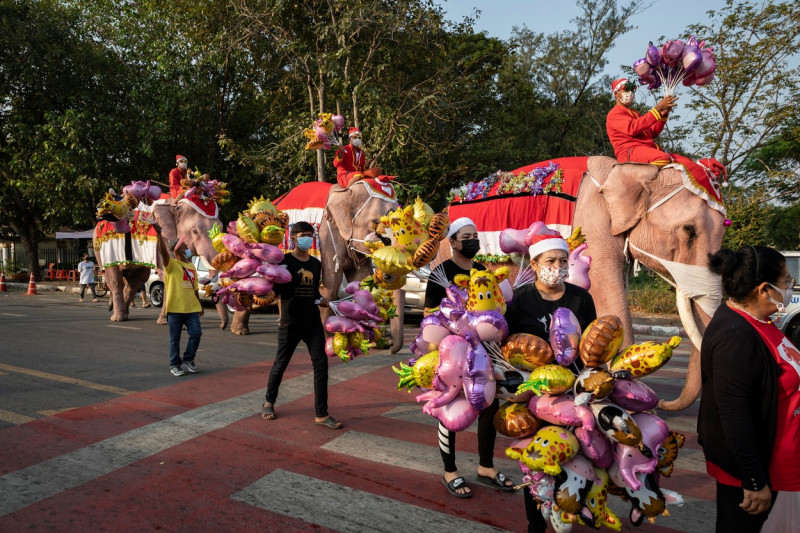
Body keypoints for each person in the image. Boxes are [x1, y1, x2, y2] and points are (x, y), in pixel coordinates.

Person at [699, 245, 800, 532]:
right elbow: (734, 414)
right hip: (754, 470)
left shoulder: (760, 320)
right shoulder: (735, 336)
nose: (790, 286)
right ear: (764, 290)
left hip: (778, 459)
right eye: (786, 281)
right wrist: (754, 481)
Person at [504, 229, 597, 533]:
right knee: (537, 461)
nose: (557, 266)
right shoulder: (519, 300)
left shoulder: (581, 298)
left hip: (573, 393)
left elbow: (592, 345)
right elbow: (507, 349)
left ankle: (567, 511)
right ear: (534, 265)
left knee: (572, 458)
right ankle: (535, 524)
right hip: (535, 395)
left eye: (562, 259)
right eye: (550, 260)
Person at [422, 217, 515, 498]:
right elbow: (429, 316)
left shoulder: (480, 270)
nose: (473, 240)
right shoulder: (441, 272)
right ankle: (450, 470)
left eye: (475, 235)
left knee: (489, 407)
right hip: (451, 353)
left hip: (482, 352)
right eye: (466, 236)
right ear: (452, 242)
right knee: (449, 410)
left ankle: (486, 466)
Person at [261, 221, 342, 429]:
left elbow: (315, 292)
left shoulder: (315, 264)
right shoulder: (284, 261)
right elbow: (276, 291)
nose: (307, 239)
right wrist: (265, 296)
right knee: (281, 363)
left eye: (310, 235)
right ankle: (269, 402)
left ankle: (322, 414)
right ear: (294, 237)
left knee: (321, 365)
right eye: (303, 235)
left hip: (312, 321)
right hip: (290, 321)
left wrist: (321, 300)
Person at [153, 223, 203, 377]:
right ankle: (175, 364)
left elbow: (194, 289)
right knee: (174, 339)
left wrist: (199, 304)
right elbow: (163, 251)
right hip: (175, 309)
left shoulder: (192, 267)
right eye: (185, 246)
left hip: (192, 309)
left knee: (196, 334)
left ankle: (188, 359)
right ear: (178, 250)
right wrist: (159, 234)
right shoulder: (171, 265)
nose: (188, 248)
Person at [606, 77, 678, 166]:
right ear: (616, 94)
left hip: (645, 149)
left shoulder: (634, 112)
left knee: (683, 161)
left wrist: (663, 114)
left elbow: (651, 133)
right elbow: (632, 128)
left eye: (632, 90)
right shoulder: (614, 113)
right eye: (627, 90)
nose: (630, 93)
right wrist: (657, 108)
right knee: (662, 159)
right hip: (629, 152)